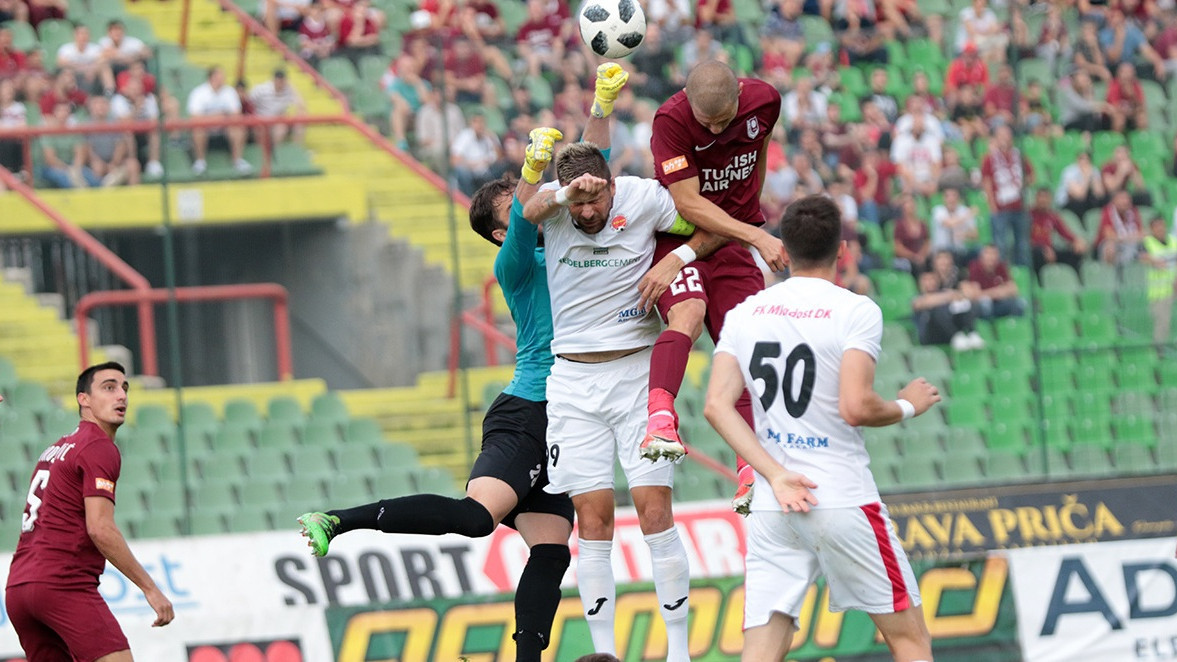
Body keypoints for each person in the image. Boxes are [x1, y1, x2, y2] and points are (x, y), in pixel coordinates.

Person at [298, 65, 632, 662]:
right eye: (523, 203)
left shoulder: (567, 241)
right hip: (530, 411)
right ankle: (337, 520)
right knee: (478, 520)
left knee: (553, 550)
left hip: (571, 416)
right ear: (503, 229)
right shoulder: (517, 265)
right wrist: (533, 172)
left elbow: (589, 176)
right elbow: (543, 203)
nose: (541, 203)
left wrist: (603, 101)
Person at [703, 195, 938, 662]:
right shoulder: (855, 310)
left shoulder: (745, 313)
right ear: (843, 250)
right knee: (910, 640)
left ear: (783, 251)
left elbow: (716, 405)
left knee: (762, 650)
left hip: (776, 501)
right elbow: (856, 406)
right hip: (839, 496)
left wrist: (773, 474)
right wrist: (905, 406)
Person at [647, 60, 789, 514]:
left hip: (731, 240)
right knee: (686, 314)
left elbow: (759, 150)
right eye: (706, 121)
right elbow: (687, 202)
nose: (714, 127)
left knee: (746, 347)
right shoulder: (670, 120)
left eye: (723, 119)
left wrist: (747, 209)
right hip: (677, 237)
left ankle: (750, 467)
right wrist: (755, 233)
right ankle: (661, 420)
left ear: (739, 98)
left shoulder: (765, 100)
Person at [6, 362, 175, 661]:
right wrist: (151, 589)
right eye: (109, 388)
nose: (121, 396)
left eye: (124, 388)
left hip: (19, 589)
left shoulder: (53, 450)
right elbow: (100, 528)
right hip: (63, 585)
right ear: (84, 399)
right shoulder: (98, 447)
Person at [981, 125, 1034, 267]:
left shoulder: (1019, 156)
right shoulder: (989, 159)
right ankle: (1002, 273)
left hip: (1019, 207)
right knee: (1001, 245)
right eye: (1001, 135)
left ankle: (1022, 272)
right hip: (1000, 208)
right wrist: (992, 206)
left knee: (1022, 245)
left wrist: (1021, 184)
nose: (1005, 138)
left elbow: (1031, 175)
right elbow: (987, 183)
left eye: (1007, 135)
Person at [186, 65, 252, 175]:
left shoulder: (230, 92)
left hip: (224, 127)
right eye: (220, 75)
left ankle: (237, 160)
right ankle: (200, 162)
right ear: (212, 77)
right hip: (206, 127)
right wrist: (220, 116)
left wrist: (214, 117)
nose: (223, 78)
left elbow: (236, 115)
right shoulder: (199, 92)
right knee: (198, 129)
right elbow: (195, 118)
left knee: (238, 127)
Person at [914, 251, 984, 350]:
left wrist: (955, 295)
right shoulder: (918, 297)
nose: (929, 283)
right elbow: (922, 303)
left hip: (944, 332)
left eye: (932, 280)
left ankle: (972, 333)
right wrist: (950, 295)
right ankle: (955, 336)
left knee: (966, 305)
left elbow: (970, 294)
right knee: (938, 310)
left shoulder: (943, 291)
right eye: (926, 280)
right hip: (929, 335)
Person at [1031, 187, 1088, 275]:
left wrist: (1076, 241)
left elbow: (1065, 233)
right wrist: (1043, 248)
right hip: (1035, 250)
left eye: (1046, 197)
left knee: (1074, 253)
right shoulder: (1028, 216)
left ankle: (1073, 281)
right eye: (1040, 197)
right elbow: (1024, 239)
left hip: (1049, 249)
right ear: (1036, 198)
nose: (1043, 200)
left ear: (1050, 200)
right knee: (1038, 254)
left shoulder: (1052, 216)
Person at [966, 244, 1025, 319]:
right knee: (985, 303)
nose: (991, 257)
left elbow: (1014, 289)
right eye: (988, 253)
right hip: (984, 305)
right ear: (982, 256)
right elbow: (974, 295)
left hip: (999, 303)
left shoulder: (1001, 267)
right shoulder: (975, 268)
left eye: (994, 254)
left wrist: (1001, 292)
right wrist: (996, 292)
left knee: (1019, 303)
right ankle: (988, 329)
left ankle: (1012, 327)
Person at [1143, 217, 1177, 347]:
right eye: (1157, 227)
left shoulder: (1173, 241)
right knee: (1162, 323)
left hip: (1174, 287)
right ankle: (1159, 352)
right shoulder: (1147, 243)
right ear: (1152, 229)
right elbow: (1141, 256)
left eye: (1162, 226)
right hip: (1159, 292)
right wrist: (1153, 260)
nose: (1160, 229)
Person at [248, 69, 306, 145]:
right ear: (273, 80)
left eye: (282, 81)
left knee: (293, 124)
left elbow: (301, 106)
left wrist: (293, 89)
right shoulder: (261, 90)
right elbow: (248, 103)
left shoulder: (288, 89)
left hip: (277, 122)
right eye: (278, 81)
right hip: (260, 120)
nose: (280, 84)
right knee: (272, 128)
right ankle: (267, 153)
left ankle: (295, 148)